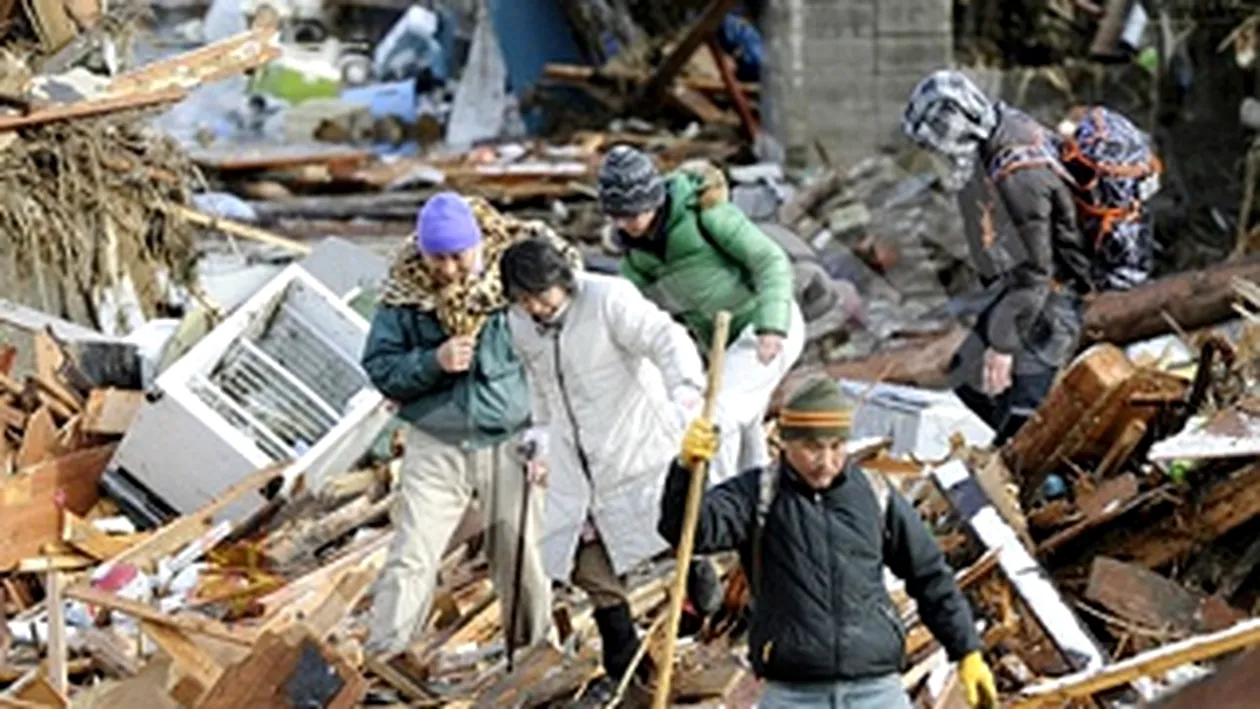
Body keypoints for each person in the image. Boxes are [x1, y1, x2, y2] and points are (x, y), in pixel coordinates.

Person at [659, 377, 998, 709]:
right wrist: (687, 471)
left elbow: (929, 576)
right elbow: (689, 531)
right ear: (784, 441)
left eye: (836, 446)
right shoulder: (758, 495)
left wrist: (967, 651)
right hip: (793, 693)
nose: (826, 461)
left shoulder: (874, 494)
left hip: (876, 689)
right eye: (812, 447)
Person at [360, 191, 581, 659]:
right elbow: (380, 366)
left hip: (511, 439)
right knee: (412, 555)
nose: (447, 269)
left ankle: (533, 660)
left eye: (457, 256)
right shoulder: (405, 292)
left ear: (478, 245)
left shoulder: (517, 279)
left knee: (523, 557)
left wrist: (549, 436)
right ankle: (384, 659)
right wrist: (432, 361)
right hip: (437, 439)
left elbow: (557, 359)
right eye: (435, 257)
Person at [499, 238, 705, 703]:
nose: (535, 306)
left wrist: (686, 392)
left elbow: (665, 338)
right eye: (524, 299)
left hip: (635, 442)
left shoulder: (608, 299)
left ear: (563, 281)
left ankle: (697, 578)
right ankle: (624, 662)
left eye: (542, 295)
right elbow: (538, 381)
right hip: (576, 459)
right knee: (583, 559)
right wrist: (541, 435)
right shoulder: (520, 324)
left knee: (670, 530)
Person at [901, 70, 1093, 445]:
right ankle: (1006, 455)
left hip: (1056, 290)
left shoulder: (1022, 176)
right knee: (967, 374)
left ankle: (1040, 482)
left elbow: (1039, 271)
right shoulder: (995, 128)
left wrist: (1004, 346)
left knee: (1023, 414)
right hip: (1022, 283)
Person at [597, 146, 804, 483]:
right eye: (621, 216)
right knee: (745, 427)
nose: (631, 224)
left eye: (637, 212)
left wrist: (772, 326)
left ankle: (716, 506)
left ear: (655, 198)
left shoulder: (706, 215)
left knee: (713, 420)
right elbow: (638, 319)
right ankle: (757, 509)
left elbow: (770, 261)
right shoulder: (635, 260)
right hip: (723, 346)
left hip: (764, 327)